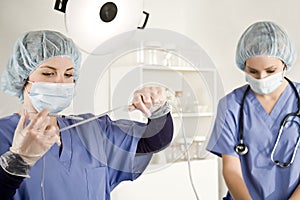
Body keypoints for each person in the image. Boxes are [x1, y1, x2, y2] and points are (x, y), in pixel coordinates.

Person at [0, 30, 174, 200]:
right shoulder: (3, 135)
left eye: (68, 75)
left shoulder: (91, 129)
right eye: (48, 73)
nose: (61, 82)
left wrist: (157, 109)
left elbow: (153, 141)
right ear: (23, 77)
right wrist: (18, 160)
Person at [206, 21, 300, 199]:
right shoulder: (231, 105)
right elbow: (231, 169)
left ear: (285, 64)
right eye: (253, 71)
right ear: (244, 65)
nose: (262, 78)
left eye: (270, 70)